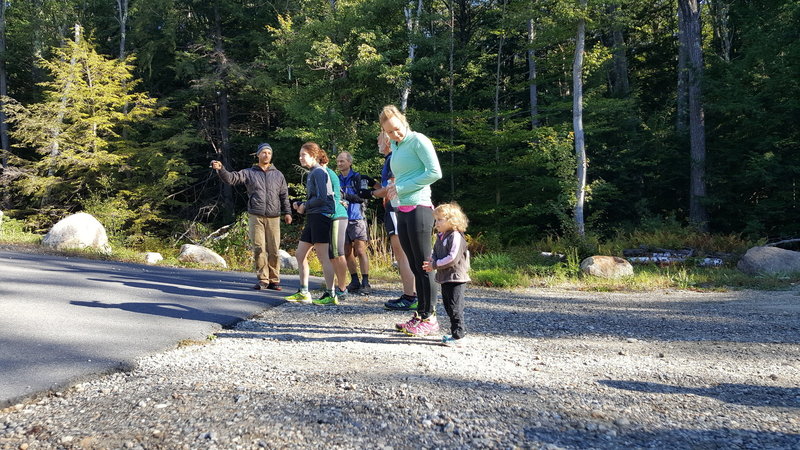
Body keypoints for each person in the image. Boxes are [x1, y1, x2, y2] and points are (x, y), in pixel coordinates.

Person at [379, 105, 442, 335]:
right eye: (389, 132)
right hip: (401, 208)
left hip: (419, 206)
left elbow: (434, 172)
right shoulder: (396, 146)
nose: (395, 134)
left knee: (425, 263)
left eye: (397, 129)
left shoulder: (418, 140)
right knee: (414, 264)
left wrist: (401, 187)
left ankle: (431, 318)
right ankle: (420, 314)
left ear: (404, 121)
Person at [210, 143, 292, 291]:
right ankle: (263, 280)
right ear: (258, 155)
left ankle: (274, 280)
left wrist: (288, 213)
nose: (266, 155)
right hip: (256, 215)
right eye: (264, 153)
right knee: (259, 248)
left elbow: (284, 195)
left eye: (269, 153)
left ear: (271, 156)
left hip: (274, 216)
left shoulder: (278, 174)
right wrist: (221, 169)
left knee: (274, 249)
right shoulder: (249, 172)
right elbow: (231, 178)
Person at [285, 142, 339, 306]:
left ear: (313, 156)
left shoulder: (319, 172)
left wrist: (305, 205)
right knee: (300, 255)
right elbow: (316, 196)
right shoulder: (312, 173)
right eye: (300, 155)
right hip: (313, 216)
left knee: (324, 257)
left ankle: (331, 294)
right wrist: (301, 203)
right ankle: (303, 291)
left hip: (321, 216)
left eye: (304, 155)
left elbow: (324, 197)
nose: (300, 158)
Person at [370, 132, 417, 310]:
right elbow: (386, 186)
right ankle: (412, 294)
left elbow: (391, 187)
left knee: (402, 253)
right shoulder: (391, 158)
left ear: (387, 142)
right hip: (397, 207)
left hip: (396, 208)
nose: (377, 142)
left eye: (379, 138)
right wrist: (373, 184)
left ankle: (410, 296)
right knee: (405, 253)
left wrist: (370, 194)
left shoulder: (392, 158)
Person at [420, 203, 471, 346]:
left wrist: (435, 265)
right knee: (448, 306)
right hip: (446, 277)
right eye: (436, 220)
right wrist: (432, 261)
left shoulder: (455, 236)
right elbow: (435, 252)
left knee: (455, 306)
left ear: (452, 220)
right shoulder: (441, 236)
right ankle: (455, 333)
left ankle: (459, 336)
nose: (437, 223)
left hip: (456, 278)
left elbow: (453, 258)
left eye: (440, 220)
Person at [336, 151, 372, 295]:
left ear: (350, 162)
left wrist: (345, 196)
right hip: (342, 217)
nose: (339, 164)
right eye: (338, 161)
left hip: (357, 217)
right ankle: (354, 280)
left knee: (360, 249)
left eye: (342, 161)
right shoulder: (336, 179)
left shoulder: (358, 178)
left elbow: (362, 198)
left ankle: (365, 281)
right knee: (346, 251)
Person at [325, 161, 350, 300]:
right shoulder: (317, 173)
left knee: (337, 252)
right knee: (331, 254)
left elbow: (334, 197)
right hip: (329, 216)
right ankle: (336, 286)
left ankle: (342, 288)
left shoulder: (327, 172)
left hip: (337, 215)